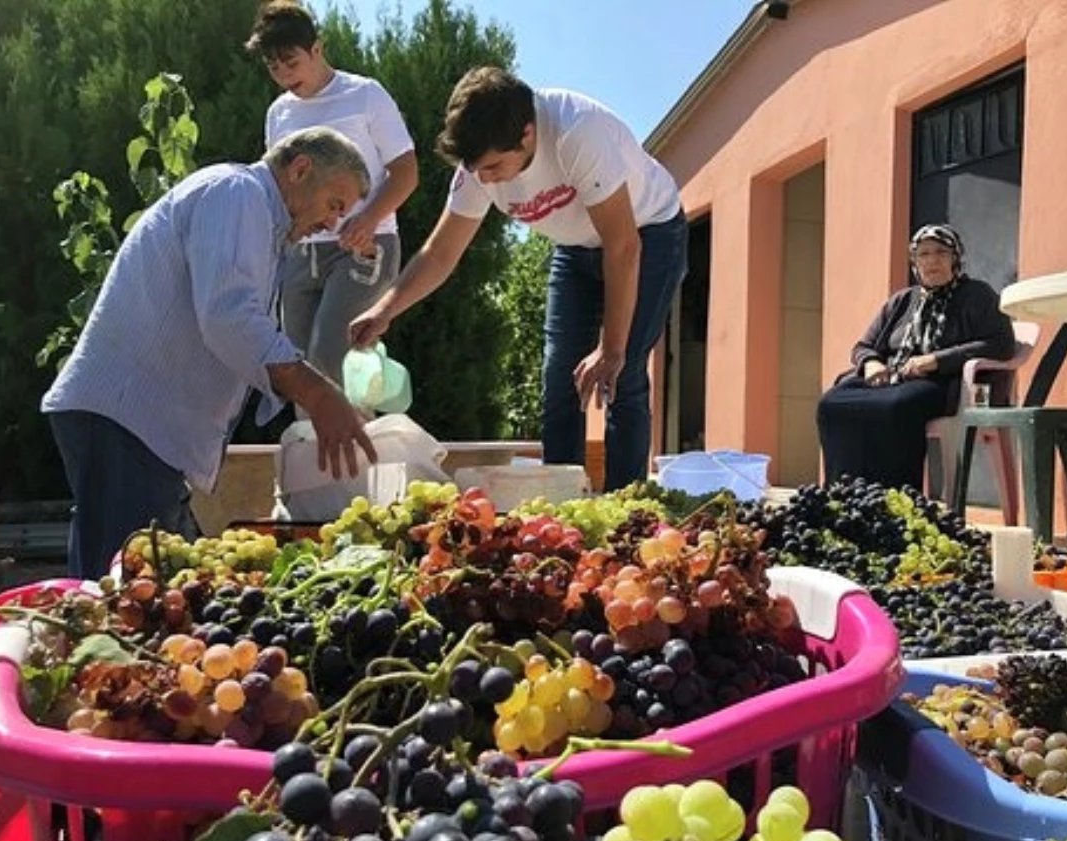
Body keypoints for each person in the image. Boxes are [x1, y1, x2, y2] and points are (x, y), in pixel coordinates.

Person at [41, 126, 379, 578]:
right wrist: (317, 394)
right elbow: (229, 317)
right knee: (120, 600)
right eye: (335, 204)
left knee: (152, 592)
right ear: (301, 169)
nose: (333, 223)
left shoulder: (255, 218)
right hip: (128, 424)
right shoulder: (238, 194)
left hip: (142, 431)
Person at [348, 66, 688, 491]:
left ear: (528, 134)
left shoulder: (576, 132)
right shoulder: (478, 168)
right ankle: (564, 510)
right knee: (560, 375)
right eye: (477, 170)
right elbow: (441, 253)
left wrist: (611, 346)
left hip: (649, 232)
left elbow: (623, 246)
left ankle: (627, 504)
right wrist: (384, 310)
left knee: (621, 371)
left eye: (494, 167)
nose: (485, 179)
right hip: (576, 245)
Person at [246, 1, 418, 390]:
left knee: (330, 355)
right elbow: (280, 189)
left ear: (317, 49)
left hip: (364, 244)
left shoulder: (365, 95)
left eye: (291, 62)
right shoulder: (278, 114)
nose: (284, 75)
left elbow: (407, 172)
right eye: (273, 67)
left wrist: (368, 219)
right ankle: (328, 447)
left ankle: (355, 449)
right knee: (296, 367)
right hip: (301, 251)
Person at [817, 224, 1016, 490]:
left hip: (942, 383)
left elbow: (1001, 344)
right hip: (890, 378)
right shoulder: (902, 300)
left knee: (895, 407)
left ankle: (897, 497)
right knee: (833, 403)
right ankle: (842, 492)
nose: (932, 260)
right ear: (914, 261)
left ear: (955, 257)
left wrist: (936, 359)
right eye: (923, 254)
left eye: (941, 252)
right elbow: (863, 345)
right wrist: (872, 363)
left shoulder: (978, 295)